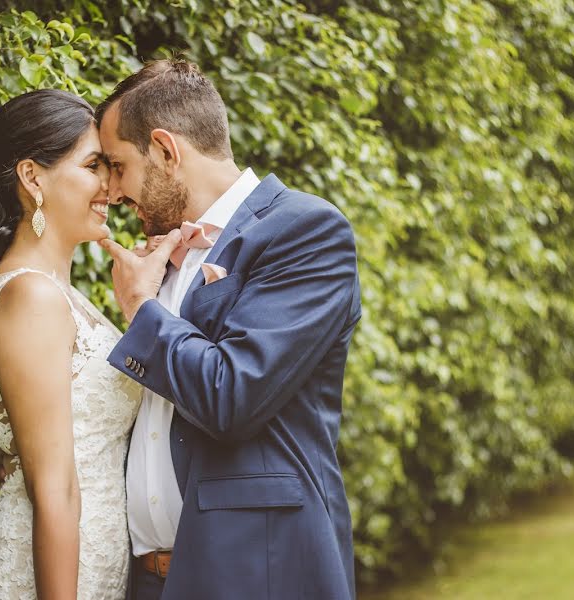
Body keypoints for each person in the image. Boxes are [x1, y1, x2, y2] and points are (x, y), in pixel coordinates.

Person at [96, 59, 362, 600]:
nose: (114, 190)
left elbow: (232, 394)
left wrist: (143, 307)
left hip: (254, 572)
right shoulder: (162, 255)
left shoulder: (305, 231)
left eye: (118, 165)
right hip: (143, 579)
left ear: (166, 152)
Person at [0, 89, 166, 599]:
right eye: (94, 165)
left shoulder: (59, 295)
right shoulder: (30, 295)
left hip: (96, 567)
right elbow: (54, 489)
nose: (111, 188)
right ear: (32, 177)